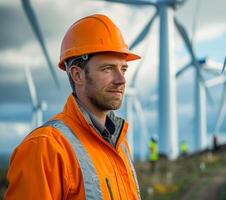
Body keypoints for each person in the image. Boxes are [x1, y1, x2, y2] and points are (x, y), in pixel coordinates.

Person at [5, 14, 142, 200]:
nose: (121, 80)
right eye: (108, 69)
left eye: (123, 69)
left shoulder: (119, 143)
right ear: (77, 75)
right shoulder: (45, 147)